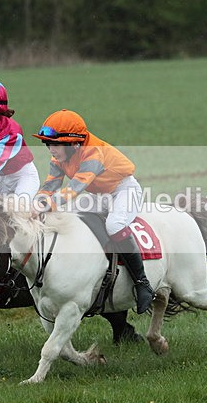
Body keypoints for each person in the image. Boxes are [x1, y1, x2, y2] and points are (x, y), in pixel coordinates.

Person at [31, 109, 155, 313]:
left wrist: (43, 205)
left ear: (74, 143)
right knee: (70, 216)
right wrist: (34, 203)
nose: (50, 149)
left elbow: (74, 190)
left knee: (114, 225)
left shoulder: (93, 154)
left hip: (124, 190)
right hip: (100, 195)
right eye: (47, 143)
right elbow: (50, 185)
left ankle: (142, 283)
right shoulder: (60, 158)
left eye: (54, 144)